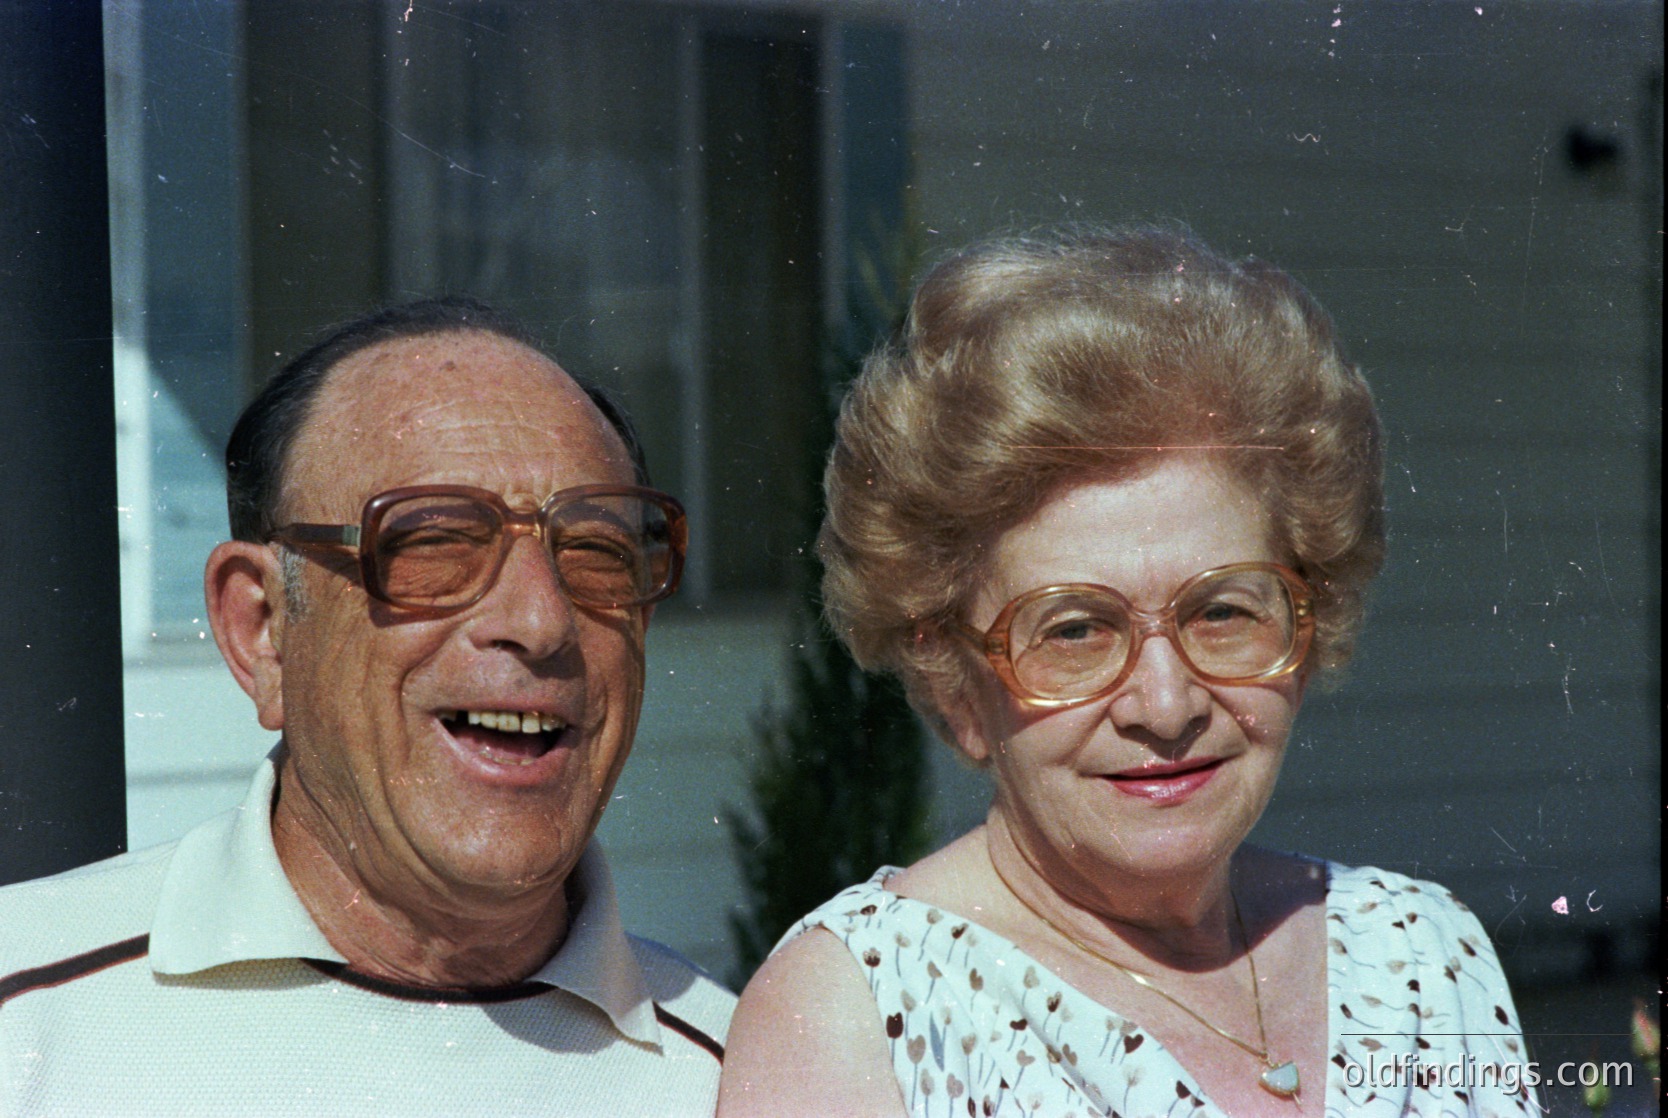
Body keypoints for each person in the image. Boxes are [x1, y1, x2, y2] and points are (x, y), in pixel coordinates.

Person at [719, 229, 1536, 1117]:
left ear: (1308, 630)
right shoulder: (857, 1014)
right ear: (956, 685)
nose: (1165, 703)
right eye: (1074, 631)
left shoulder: (1421, 953)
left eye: (1223, 611)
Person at [0, 297, 733, 1115]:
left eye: (596, 553)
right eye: (434, 543)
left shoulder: (742, 1081)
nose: (541, 620)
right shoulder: (27, 1020)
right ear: (263, 632)